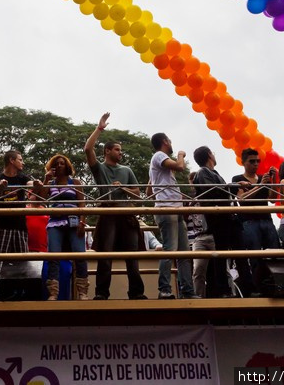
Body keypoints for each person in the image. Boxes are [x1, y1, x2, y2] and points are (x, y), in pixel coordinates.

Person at [84, 112, 146, 300]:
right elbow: (88, 149)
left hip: (126, 214)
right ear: (108, 151)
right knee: (105, 255)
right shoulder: (100, 168)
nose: (121, 153)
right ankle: (102, 293)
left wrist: (124, 189)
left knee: (132, 256)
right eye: (117, 149)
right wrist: (99, 128)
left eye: (121, 150)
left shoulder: (126, 170)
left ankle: (136, 293)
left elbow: (138, 194)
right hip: (108, 212)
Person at [192, 145, 252, 297]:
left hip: (228, 217)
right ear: (209, 155)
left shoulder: (213, 173)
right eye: (212, 152)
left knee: (239, 254)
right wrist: (234, 186)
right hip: (219, 219)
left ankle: (247, 289)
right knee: (221, 257)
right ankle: (223, 290)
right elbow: (213, 190)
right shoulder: (203, 172)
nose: (214, 155)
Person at [148, 132, 197, 299]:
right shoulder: (159, 155)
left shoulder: (157, 163)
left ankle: (187, 291)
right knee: (170, 250)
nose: (171, 143)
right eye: (169, 140)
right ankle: (165, 289)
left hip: (174, 209)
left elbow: (149, 189)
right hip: (167, 209)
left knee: (184, 253)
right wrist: (180, 155)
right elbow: (180, 166)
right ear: (164, 141)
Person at [0, 151, 36, 300]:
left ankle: (20, 292)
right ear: (11, 160)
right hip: (3, 225)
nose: (23, 162)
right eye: (20, 160)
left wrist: (40, 182)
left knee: (21, 260)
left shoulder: (22, 177)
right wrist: (1, 188)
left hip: (20, 225)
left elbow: (30, 184)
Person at [40, 154, 89, 300]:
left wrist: (82, 221)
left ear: (67, 166)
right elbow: (42, 199)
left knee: (80, 255)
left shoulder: (75, 182)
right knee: (54, 256)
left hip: (73, 221)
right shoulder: (51, 183)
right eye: (57, 164)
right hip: (55, 222)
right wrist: (46, 179)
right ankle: (53, 292)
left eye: (62, 163)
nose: (60, 165)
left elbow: (82, 204)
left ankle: (82, 291)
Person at [232, 148, 280, 289]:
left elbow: (271, 199)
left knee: (274, 252)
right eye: (252, 161)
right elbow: (242, 199)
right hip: (248, 221)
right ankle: (258, 287)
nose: (255, 164)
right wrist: (260, 185)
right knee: (255, 255)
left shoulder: (262, 178)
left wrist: (273, 180)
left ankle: (274, 284)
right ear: (243, 162)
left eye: (258, 161)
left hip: (266, 219)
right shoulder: (237, 179)